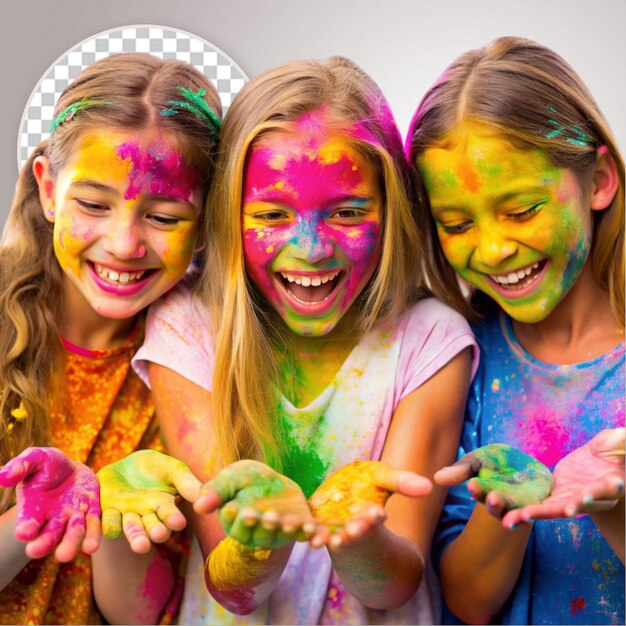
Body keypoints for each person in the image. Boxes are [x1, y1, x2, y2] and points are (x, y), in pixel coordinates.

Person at [128, 56, 478, 625]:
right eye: (271, 212)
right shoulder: (187, 326)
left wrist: (358, 539)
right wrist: (260, 538)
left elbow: (393, 587)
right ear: (227, 216)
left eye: (346, 212)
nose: (311, 249)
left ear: (391, 211)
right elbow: (233, 589)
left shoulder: (430, 339)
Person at [406, 36, 625, 624]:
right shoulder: (460, 359)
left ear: (599, 179)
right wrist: (505, 505)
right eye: (456, 223)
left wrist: (615, 506)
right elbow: (469, 602)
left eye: (522, 210)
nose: (495, 248)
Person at [0, 52, 221, 624]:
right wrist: (31, 516)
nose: (124, 244)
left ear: (205, 225)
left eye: (165, 216)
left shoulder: (185, 365)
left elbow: (138, 615)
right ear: (49, 190)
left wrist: (116, 517)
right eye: (93, 205)